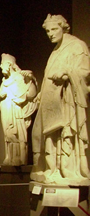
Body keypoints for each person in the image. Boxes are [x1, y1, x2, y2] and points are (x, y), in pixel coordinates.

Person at [30, 14, 90, 184]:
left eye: (54, 29)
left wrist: (67, 74)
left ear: (63, 27)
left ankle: (67, 169)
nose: (50, 33)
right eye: (48, 31)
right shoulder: (55, 50)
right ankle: (52, 168)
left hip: (67, 102)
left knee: (65, 134)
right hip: (51, 102)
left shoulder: (78, 46)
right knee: (48, 135)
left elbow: (85, 72)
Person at [0, 53, 38, 166]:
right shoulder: (5, 80)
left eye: (2, 63)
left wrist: (30, 80)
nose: (0, 66)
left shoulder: (19, 78)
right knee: (8, 134)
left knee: (19, 135)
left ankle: (21, 158)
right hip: (6, 109)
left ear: (9, 64)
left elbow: (30, 95)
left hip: (16, 110)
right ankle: (9, 157)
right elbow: (0, 94)